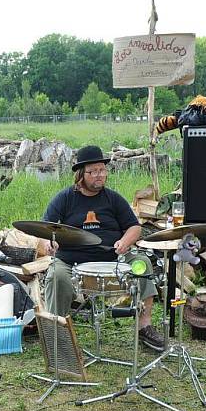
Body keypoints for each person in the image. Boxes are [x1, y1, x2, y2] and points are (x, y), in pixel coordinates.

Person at [39, 145, 165, 351]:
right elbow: (46, 229)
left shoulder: (112, 198)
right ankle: (58, 334)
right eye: (93, 171)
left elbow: (134, 226)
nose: (100, 175)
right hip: (72, 261)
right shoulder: (64, 198)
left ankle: (145, 327)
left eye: (102, 170)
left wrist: (125, 242)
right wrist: (48, 243)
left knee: (142, 264)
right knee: (56, 276)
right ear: (81, 174)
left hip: (113, 258)